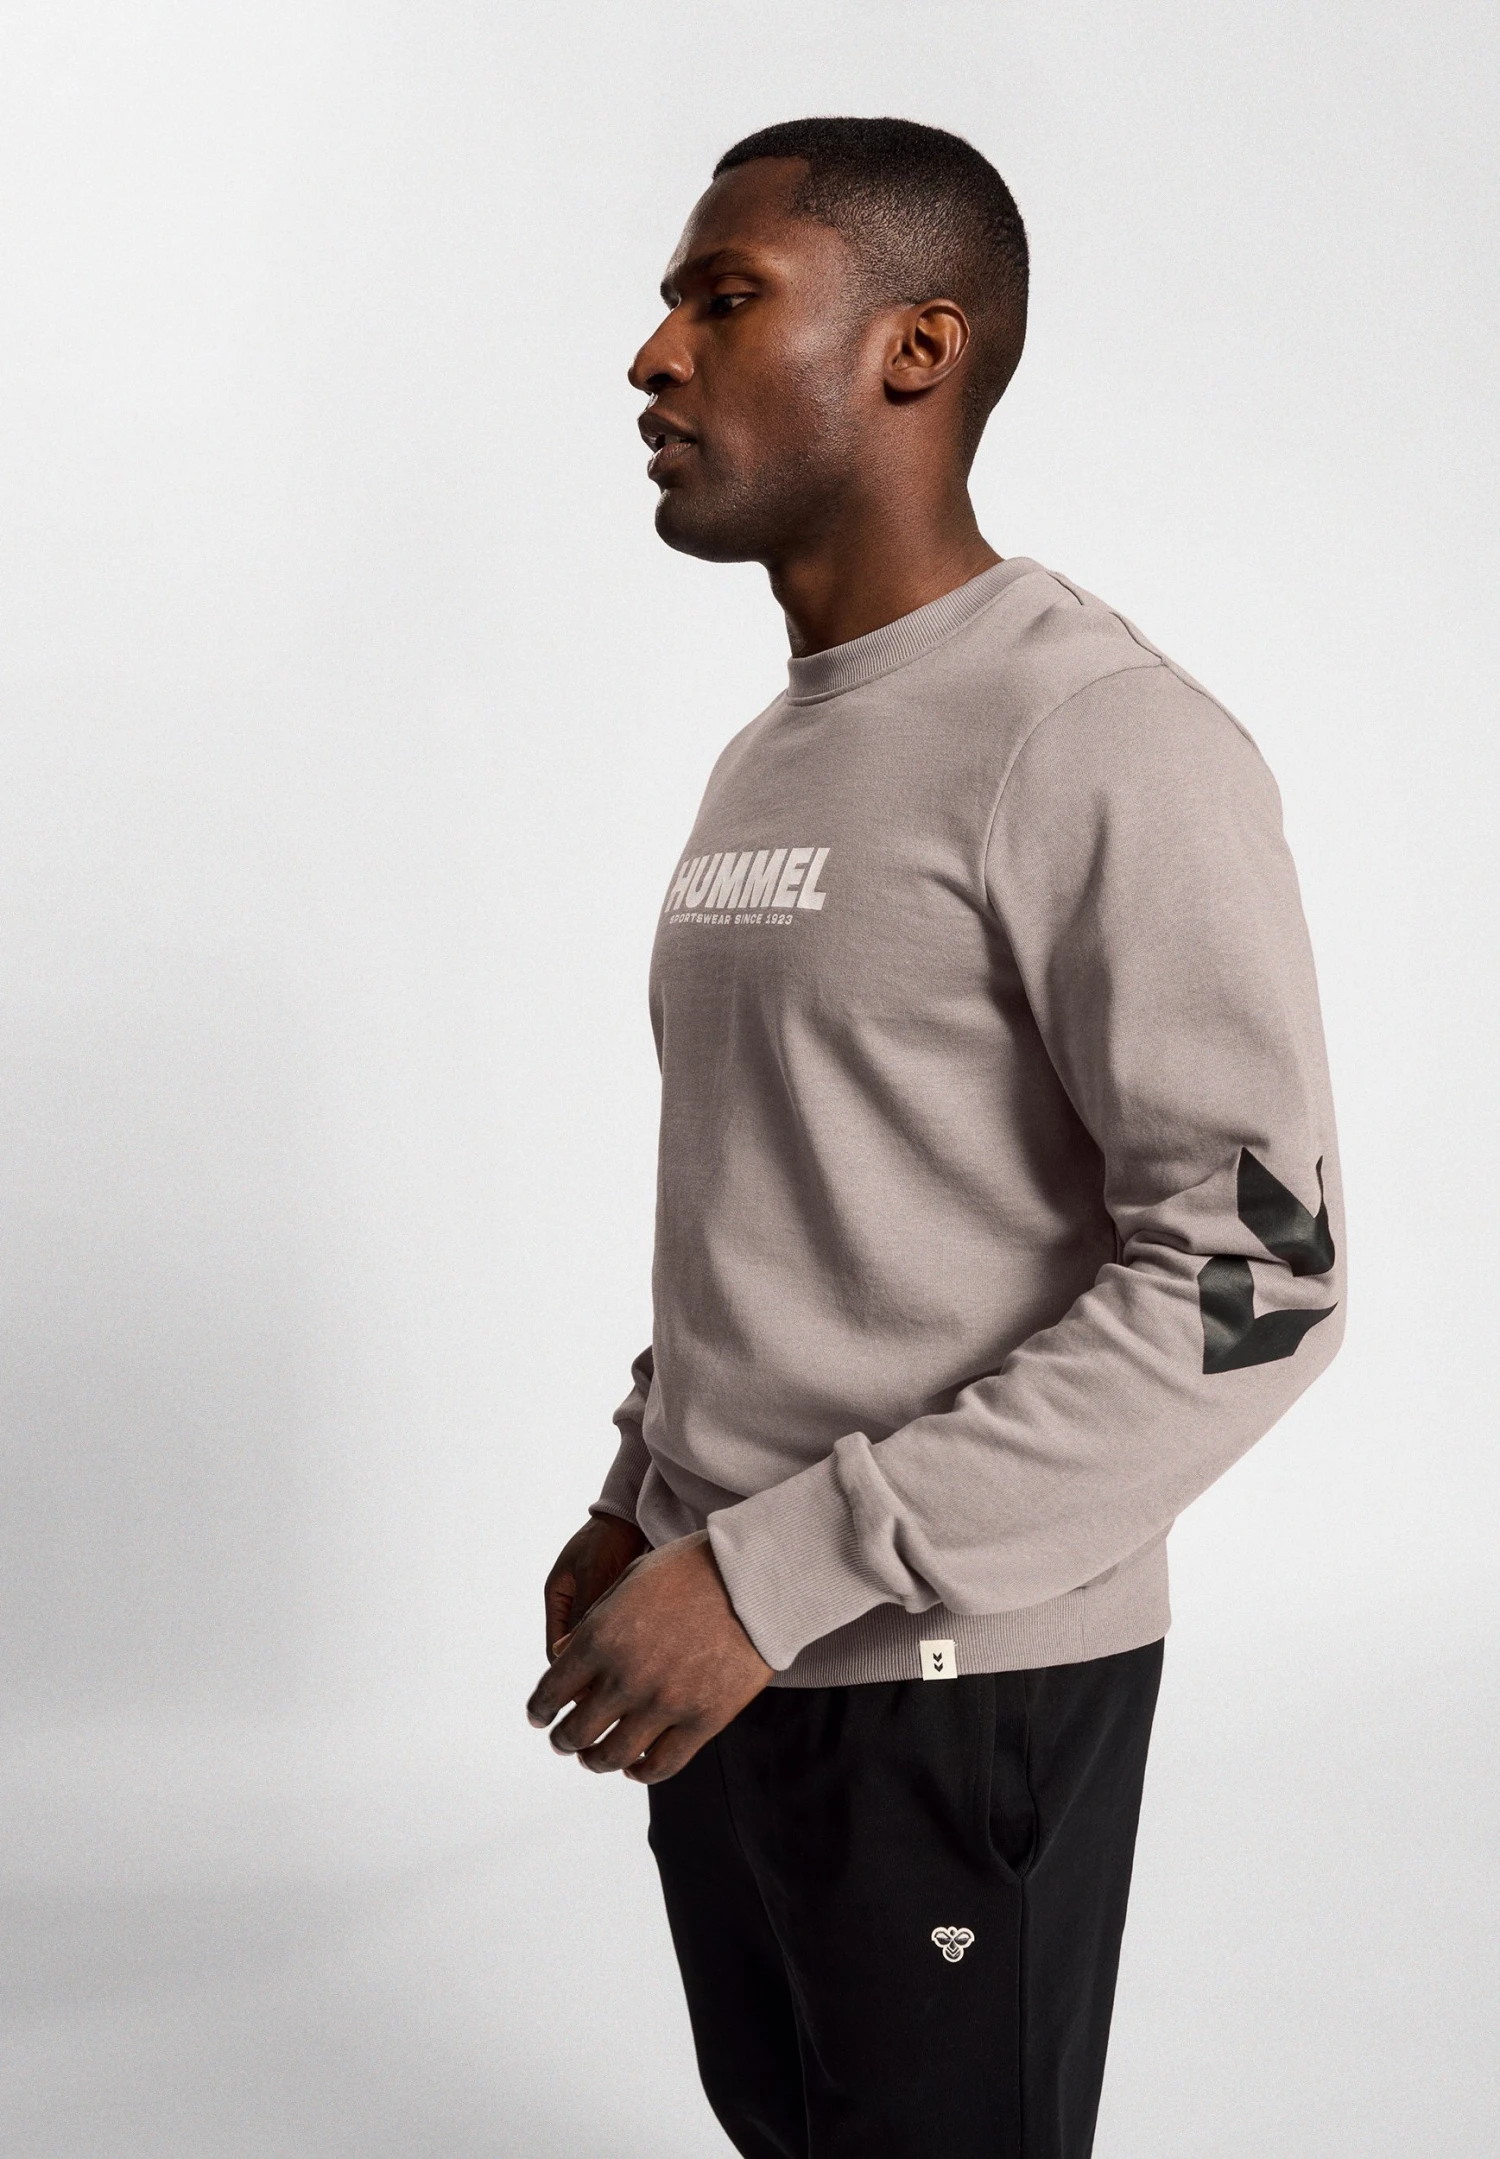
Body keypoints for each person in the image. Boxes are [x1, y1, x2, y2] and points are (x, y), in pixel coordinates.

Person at [526, 116, 1344, 2159]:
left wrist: (781, 1567)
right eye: (669, 303)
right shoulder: (776, 748)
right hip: (729, 1642)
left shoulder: (1101, 733)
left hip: (951, 1673)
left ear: (917, 348)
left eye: (726, 300)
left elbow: (1259, 1278)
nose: (653, 354)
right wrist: (646, 1491)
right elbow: (791, 1187)